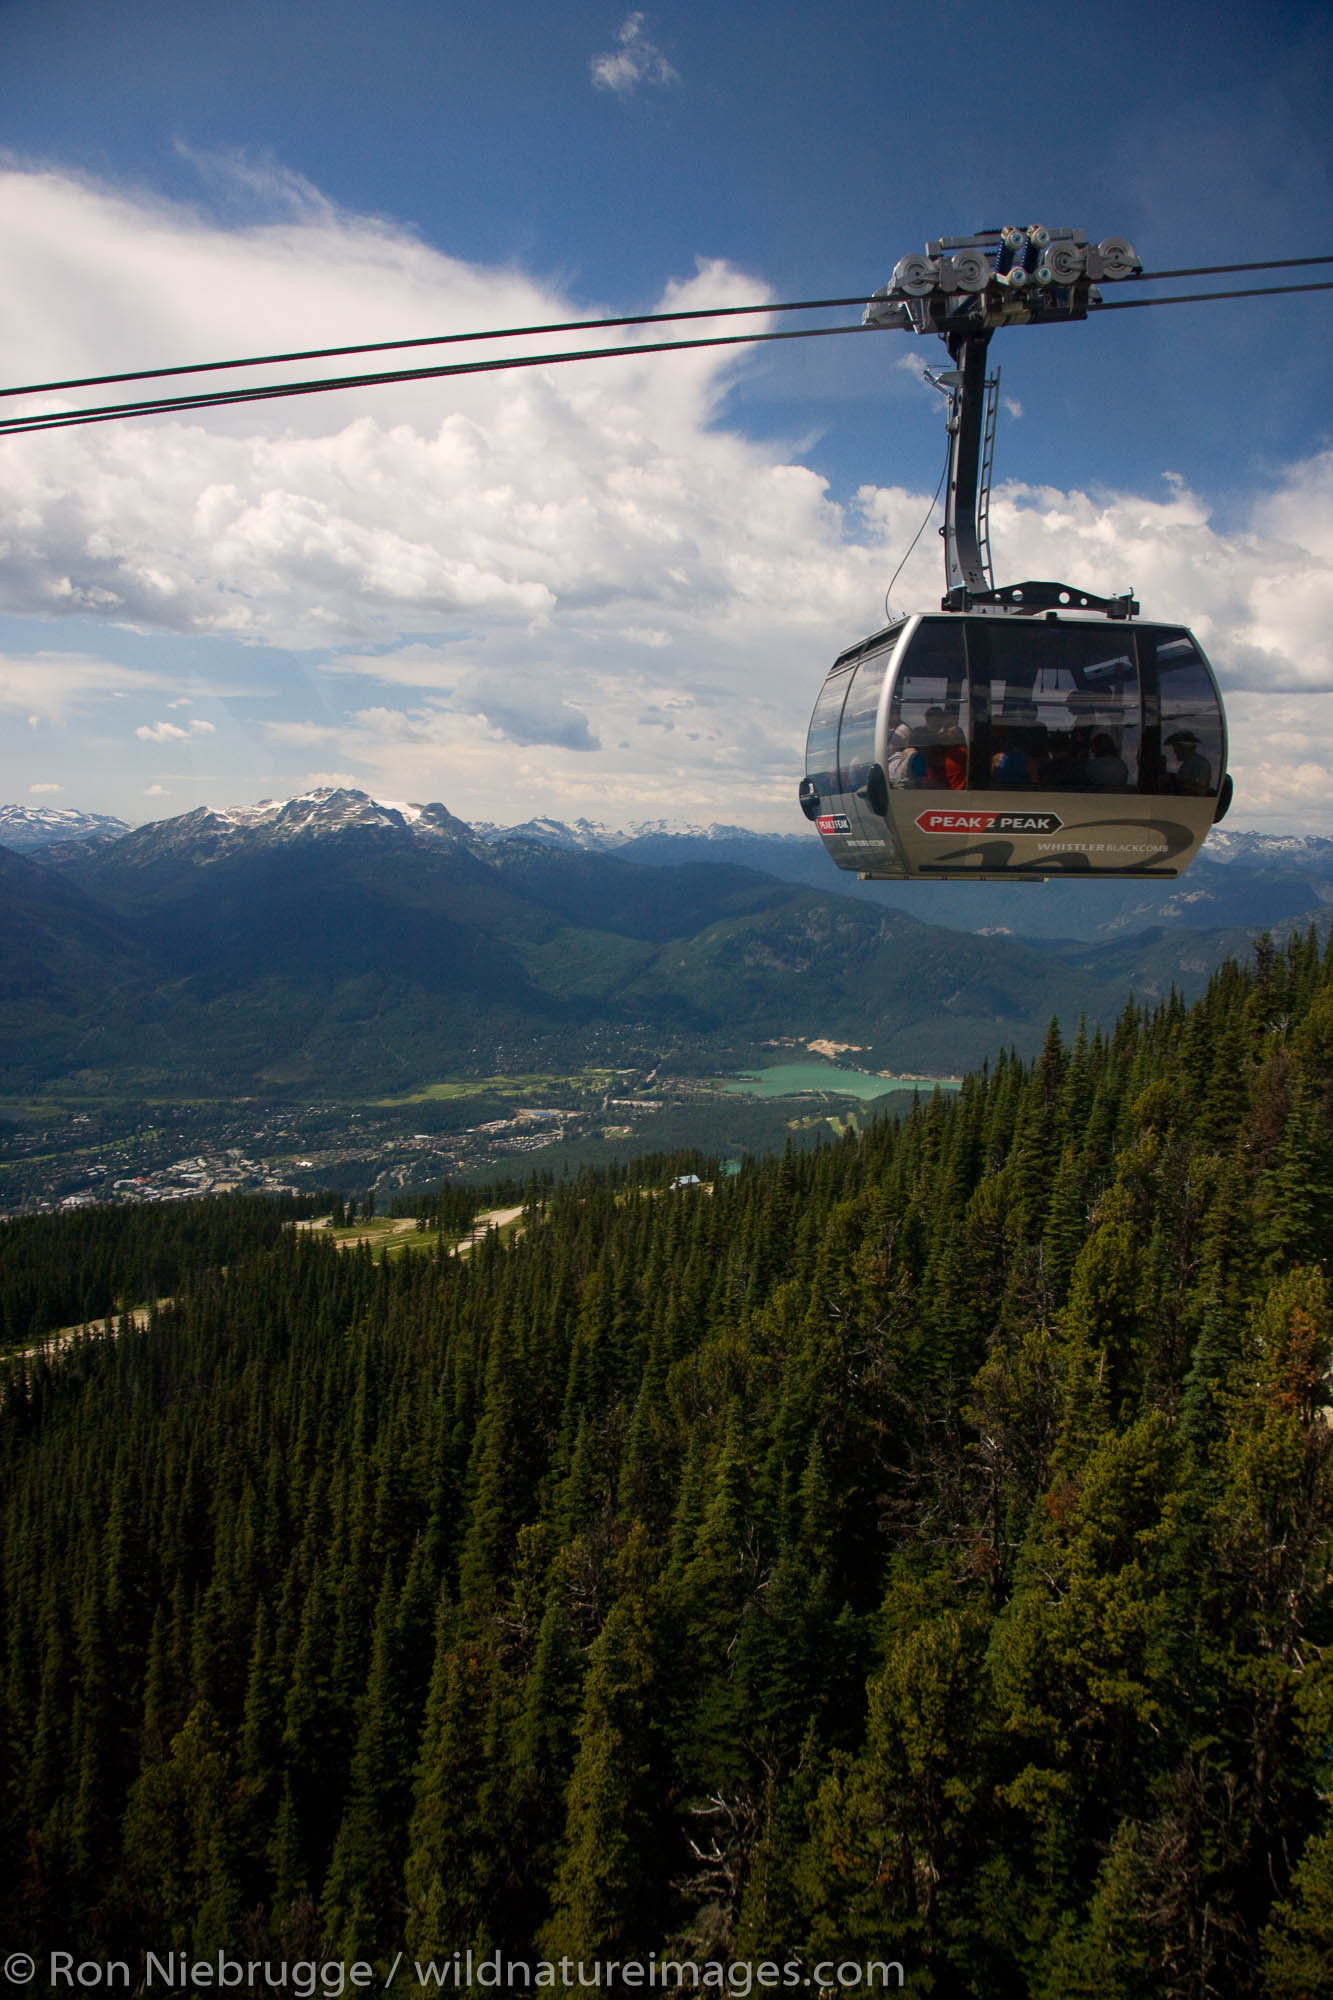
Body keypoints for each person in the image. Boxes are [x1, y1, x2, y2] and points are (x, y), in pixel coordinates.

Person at [1165, 729, 1211, 795]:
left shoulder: (1200, 764)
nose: (1174, 751)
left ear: (1185, 748)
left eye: (1176, 747)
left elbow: (1201, 789)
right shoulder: (1189, 763)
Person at [885, 721, 927, 787]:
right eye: (894, 739)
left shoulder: (913, 757)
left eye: (897, 739)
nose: (893, 743)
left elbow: (921, 782)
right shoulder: (912, 757)